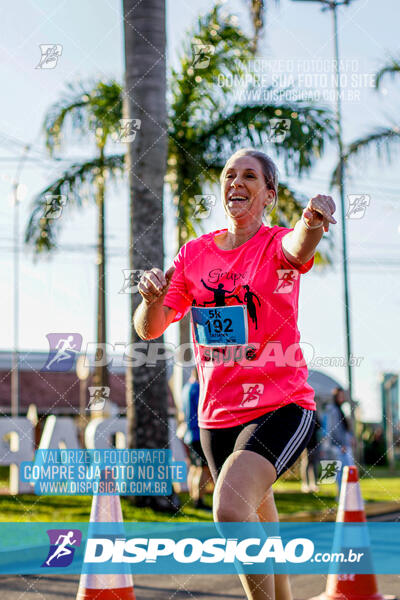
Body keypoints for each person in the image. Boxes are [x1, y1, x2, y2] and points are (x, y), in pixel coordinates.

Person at [134, 147, 337, 600]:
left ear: (269, 194)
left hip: (281, 407)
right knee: (261, 525)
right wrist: (150, 300)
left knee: (229, 508)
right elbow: (150, 329)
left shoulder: (275, 244)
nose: (236, 183)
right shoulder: (194, 254)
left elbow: (298, 246)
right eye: (229, 175)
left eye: (250, 176)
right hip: (217, 419)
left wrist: (313, 221)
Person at [181, 367, 213, 509]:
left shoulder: (186, 388)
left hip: (188, 433)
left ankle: (193, 498)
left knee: (194, 468)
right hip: (198, 433)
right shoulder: (199, 388)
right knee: (203, 469)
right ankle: (199, 501)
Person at [325, 387, 355, 492]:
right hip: (339, 447)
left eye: (343, 396)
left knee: (348, 471)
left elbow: (344, 429)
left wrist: (350, 438)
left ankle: (349, 496)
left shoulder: (340, 409)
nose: (342, 398)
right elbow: (334, 429)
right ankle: (342, 496)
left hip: (344, 446)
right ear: (335, 397)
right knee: (342, 472)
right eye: (340, 396)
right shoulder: (333, 410)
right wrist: (340, 444)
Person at [300, 412, 322, 493]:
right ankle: (305, 484)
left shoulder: (315, 414)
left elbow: (319, 425)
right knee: (306, 464)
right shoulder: (303, 414)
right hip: (305, 444)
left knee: (314, 464)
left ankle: (314, 484)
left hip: (314, 443)